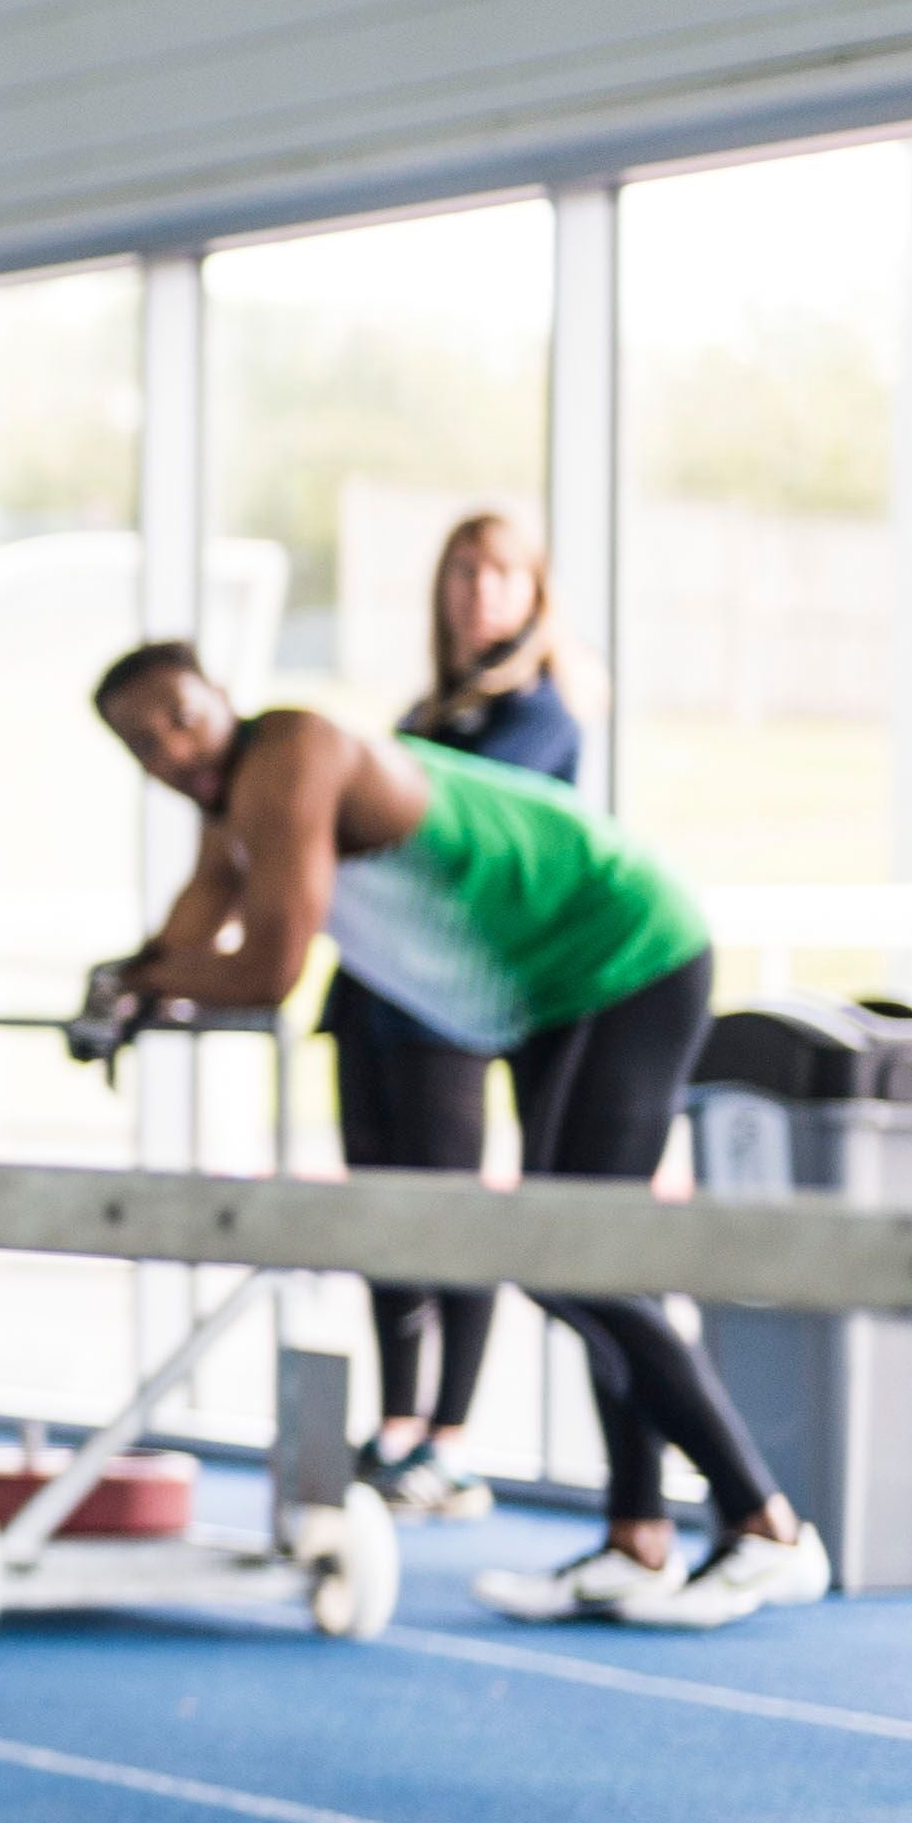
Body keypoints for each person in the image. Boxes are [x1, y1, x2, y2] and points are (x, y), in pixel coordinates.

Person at [83, 640, 824, 1631]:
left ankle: (766, 1526)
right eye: (142, 742)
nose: (170, 748)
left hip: (627, 946)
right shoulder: (231, 816)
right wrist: (128, 980)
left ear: (223, 694)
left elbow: (265, 969)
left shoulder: (291, 753)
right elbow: (183, 941)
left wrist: (140, 984)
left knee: (577, 1257)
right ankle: (638, 1538)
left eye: (179, 715)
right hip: (552, 986)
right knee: (582, 1260)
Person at [326, 513, 583, 1521]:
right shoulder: (421, 714)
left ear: (532, 594)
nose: (479, 592)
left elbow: (447, 837)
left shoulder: (546, 716)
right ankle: (395, 1427)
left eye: (501, 575)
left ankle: (449, 1436)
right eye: (464, 572)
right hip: (372, 997)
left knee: (455, 1208)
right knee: (381, 1209)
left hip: (453, 1002)